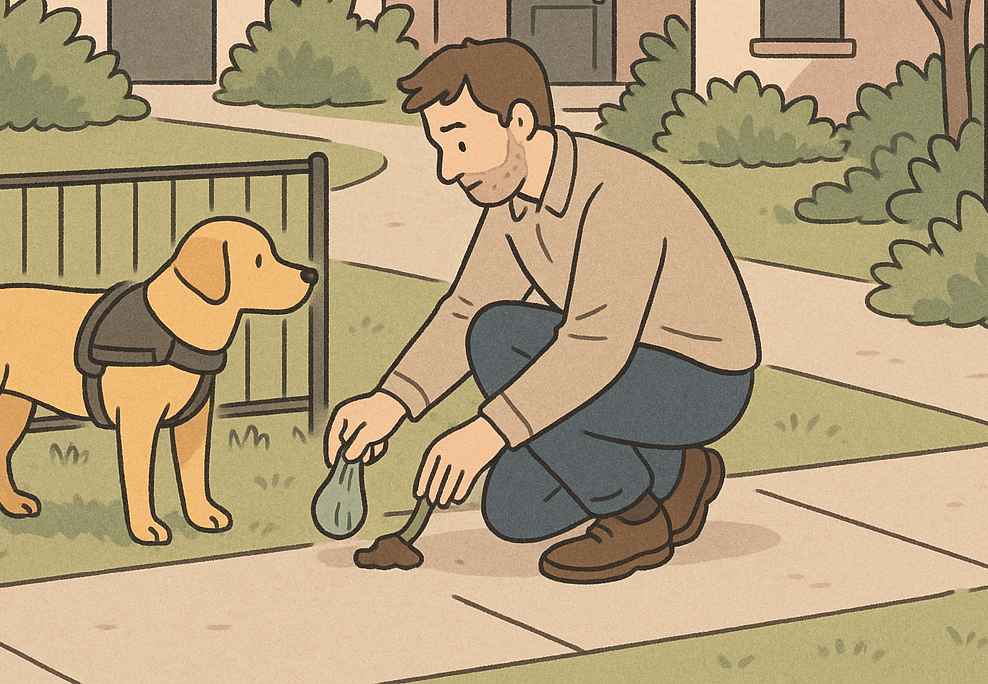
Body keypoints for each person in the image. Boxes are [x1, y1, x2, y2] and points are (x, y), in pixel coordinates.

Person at [325, 38, 759, 584]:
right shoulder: (511, 199)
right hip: (623, 374)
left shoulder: (617, 194)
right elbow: (463, 307)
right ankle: (678, 474)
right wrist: (392, 401)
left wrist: (488, 432)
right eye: (440, 147)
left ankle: (636, 522)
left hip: (699, 382)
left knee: (498, 335)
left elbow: (594, 345)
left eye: (460, 142)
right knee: (514, 511)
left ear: (520, 122)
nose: (447, 170)